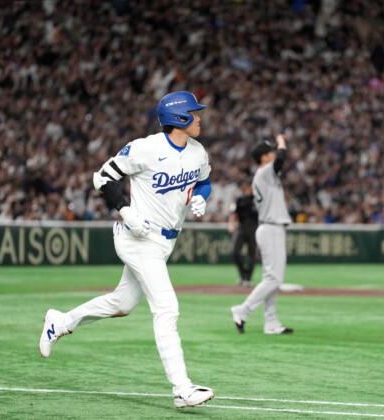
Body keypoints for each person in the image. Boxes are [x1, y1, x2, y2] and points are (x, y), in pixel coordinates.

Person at [39, 91, 214, 408]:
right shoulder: (146, 148)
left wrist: (202, 196)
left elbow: (204, 180)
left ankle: (60, 322)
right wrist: (123, 209)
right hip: (136, 237)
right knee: (167, 308)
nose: (200, 117)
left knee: (122, 303)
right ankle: (182, 389)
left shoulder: (197, 152)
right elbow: (103, 177)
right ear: (180, 118)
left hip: (165, 241)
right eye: (194, 112)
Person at [230, 134, 293, 335]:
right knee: (273, 279)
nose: (275, 152)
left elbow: (279, 162)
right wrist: (282, 141)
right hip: (270, 228)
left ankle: (271, 322)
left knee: (272, 278)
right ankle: (243, 310)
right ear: (264, 157)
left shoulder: (265, 174)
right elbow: (281, 159)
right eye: (271, 151)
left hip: (271, 228)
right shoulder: (265, 171)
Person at [228, 180, 258, 287]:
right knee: (235, 252)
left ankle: (247, 279)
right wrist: (231, 224)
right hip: (241, 227)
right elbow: (234, 213)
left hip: (254, 228)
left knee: (252, 254)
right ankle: (243, 275)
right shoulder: (240, 199)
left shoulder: (258, 200)